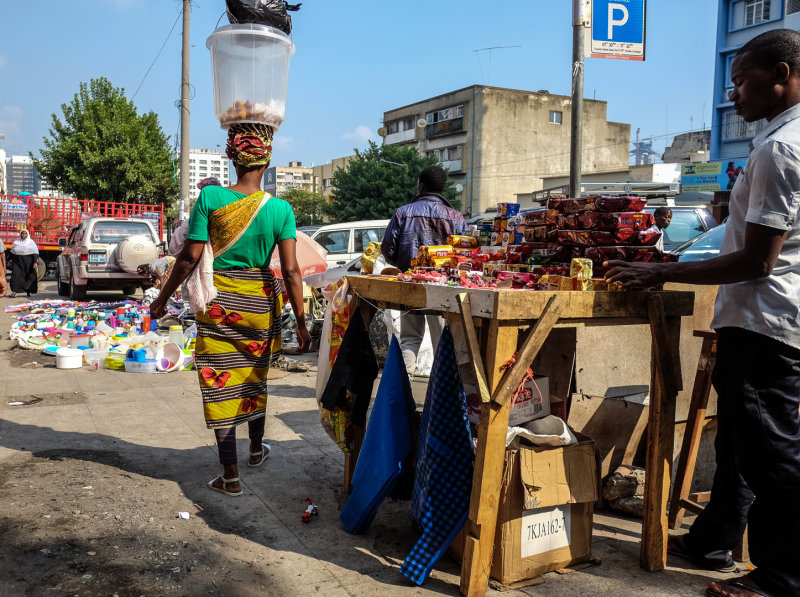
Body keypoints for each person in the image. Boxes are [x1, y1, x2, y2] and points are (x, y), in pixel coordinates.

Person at [605, 29, 800, 597]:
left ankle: (782, 579)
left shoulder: (780, 149)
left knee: (773, 456)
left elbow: (758, 260)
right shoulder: (783, 139)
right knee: (742, 443)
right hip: (770, 321)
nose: (734, 93)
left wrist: (662, 272)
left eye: (741, 80)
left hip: (766, 323)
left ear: (782, 74)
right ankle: (713, 538)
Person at [149, 122, 311, 497]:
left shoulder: (211, 199)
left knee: (220, 381)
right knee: (254, 377)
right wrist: (302, 323)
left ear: (230, 157)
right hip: (260, 305)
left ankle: (231, 475)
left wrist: (162, 298)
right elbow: (290, 271)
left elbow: (189, 258)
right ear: (267, 159)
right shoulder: (281, 209)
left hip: (219, 302)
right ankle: (256, 450)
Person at [381, 165, 466, 375]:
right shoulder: (456, 217)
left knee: (410, 339)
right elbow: (465, 255)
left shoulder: (403, 213)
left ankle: (403, 394)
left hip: (410, 283)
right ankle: (439, 401)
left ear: (420, 186)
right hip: (444, 288)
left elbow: (387, 249)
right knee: (443, 341)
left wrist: (405, 267)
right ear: (443, 188)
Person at [9, 229, 39, 298]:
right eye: (22, 234)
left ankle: (28, 292)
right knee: (15, 276)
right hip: (17, 262)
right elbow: (12, 253)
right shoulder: (16, 242)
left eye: (25, 234)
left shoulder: (31, 243)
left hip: (28, 262)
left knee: (29, 277)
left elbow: (35, 254)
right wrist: (7, 260)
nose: (24, 235)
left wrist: (35, 262)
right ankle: (14, 292)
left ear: (28, 234)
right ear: (20, 234)